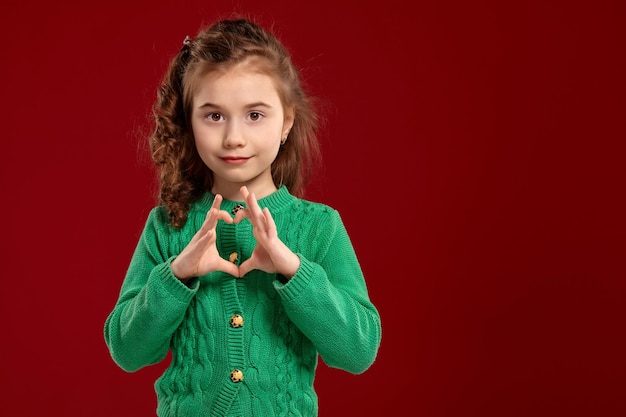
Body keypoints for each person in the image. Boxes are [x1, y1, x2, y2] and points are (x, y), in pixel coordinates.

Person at [104, 17, 381, 417]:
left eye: (255, 115)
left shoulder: (320, 227)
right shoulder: (169, 226)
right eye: (214, 116)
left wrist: (292, 270)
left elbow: (358, 351)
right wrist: (177, 275)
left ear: (286, 120)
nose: (234, 137)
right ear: (188, 122)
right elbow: (127, 351)